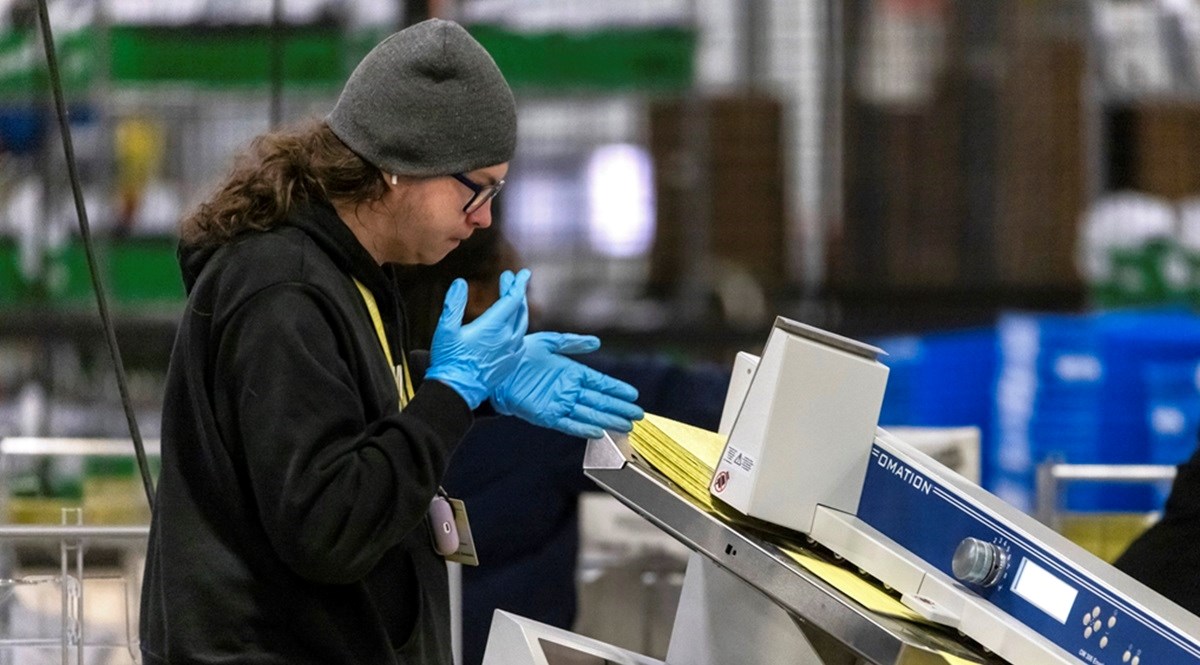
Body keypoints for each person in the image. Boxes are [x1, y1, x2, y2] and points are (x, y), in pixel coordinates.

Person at [139, 19, 644, 665]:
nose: (485, 217)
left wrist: (472, 384)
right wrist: (449, 394)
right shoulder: (282, 291)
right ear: (402, 166)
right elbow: (330, 524)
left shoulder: (345, 275)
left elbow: (335, 408)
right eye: (477, 187)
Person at [397, 228, 732, 665]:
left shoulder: (386, 383)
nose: (534, 307)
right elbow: (674, 402)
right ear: (477, 298)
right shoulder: (540, 406)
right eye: (521, 288)